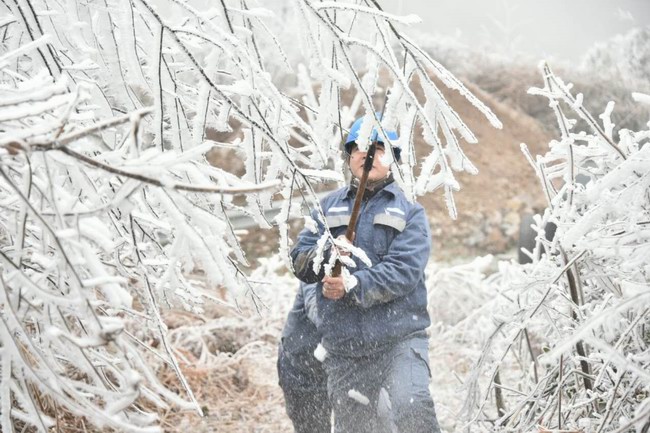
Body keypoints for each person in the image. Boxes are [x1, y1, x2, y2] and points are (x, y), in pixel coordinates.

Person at [290, 115, 442, 433]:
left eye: (376, 148)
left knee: (412, 407)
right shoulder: (326, 208)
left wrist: (353, 283)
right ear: (349, 158)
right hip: (345, 347)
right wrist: (326, 258)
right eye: (357, 149)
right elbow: (299, 260)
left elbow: (405, 269)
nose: (366, 154)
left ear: (392, 160)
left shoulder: (410, 213)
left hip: (399, 339)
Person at [277, 282, 331, 433]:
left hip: (338, 366)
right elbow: (316, 306)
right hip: (301, 367)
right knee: (313, 428)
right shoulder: (319, 265)